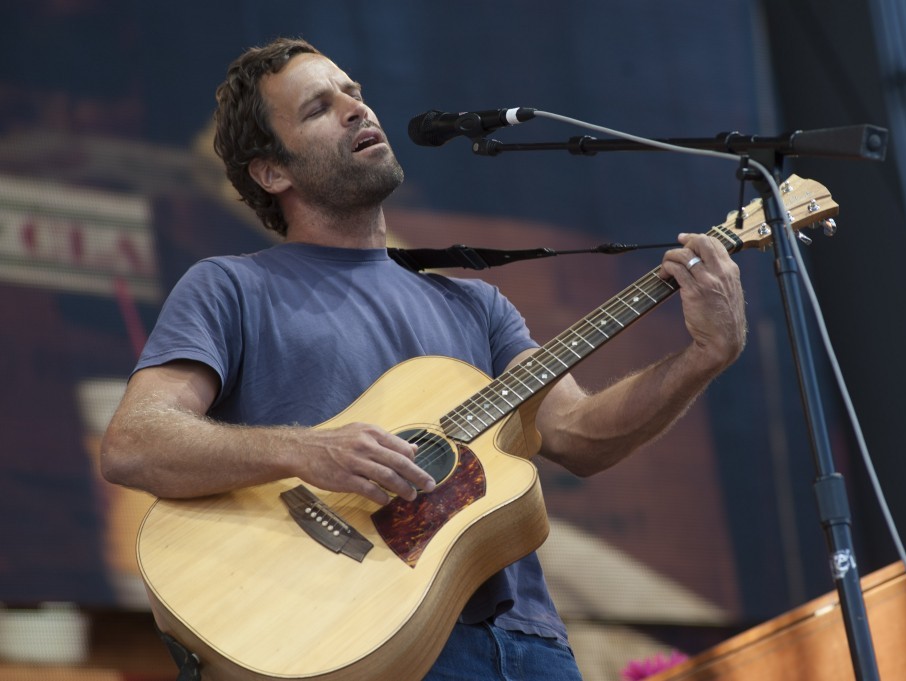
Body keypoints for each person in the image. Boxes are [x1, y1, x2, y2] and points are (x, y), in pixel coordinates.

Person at [100, 37, 746, 681]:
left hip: (530, 644)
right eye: (320, 107)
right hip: (353, 633)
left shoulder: (477, 304)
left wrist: (702, 358)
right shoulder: (231, 286)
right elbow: (134, 441)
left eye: (354, 92)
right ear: (273, 172)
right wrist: (307, 450)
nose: (357, 109)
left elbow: (578, 433)